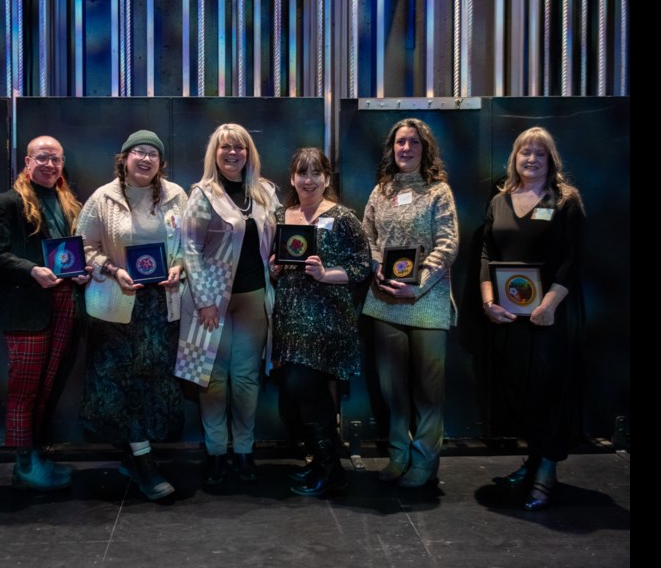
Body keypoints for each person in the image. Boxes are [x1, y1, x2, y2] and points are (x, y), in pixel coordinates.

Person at [77, 130, 187, 501]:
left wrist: (182, 267)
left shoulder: (177, 195)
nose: (145, 159)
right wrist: (111, 269)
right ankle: (143, 464)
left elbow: (191, 244)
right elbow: (83, 248)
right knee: (120, 384)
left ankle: (135, 453)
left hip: (161, 305)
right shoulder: (102, 198)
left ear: (161, 163)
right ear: (123, 158)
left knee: (152, 381)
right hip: (116, 304)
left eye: (152, 154)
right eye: (138, 152)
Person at [480, 126, 585, 511]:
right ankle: (533, 459)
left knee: (548, 394)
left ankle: (546, 472)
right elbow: (487, 255)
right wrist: (489, 302)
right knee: (518, 394)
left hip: (549, 316)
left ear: (551, 160)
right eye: (525, 153)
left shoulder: (565, 202)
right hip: (508, 316)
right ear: (515, 158)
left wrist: (549, 306)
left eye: (540, 154)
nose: (531, 160)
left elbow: (574, 261)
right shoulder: (500, 201)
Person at [0, 135, 91, 491]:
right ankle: (24, 464)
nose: (49, 164)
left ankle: (35, 455)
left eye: (56, 159)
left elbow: (72, 252)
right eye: (42, 157)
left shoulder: (68, 202)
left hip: (64, 302)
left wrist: (80, 271)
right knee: (24, 389)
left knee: (46, 386)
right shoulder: (5, 203)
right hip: (28, 306)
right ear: (26, 162)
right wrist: (32, 270)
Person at [176, 123, 279, 485]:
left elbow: (278, 242)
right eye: (225, 149)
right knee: (213, 380)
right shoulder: (202, 194)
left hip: (253, 299)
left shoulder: (265, 192)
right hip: (212, 302)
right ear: (214, 155)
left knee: (247, 379)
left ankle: (245, 451)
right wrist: (204, 300)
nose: (233, 154)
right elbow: (189, 249)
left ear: (248, 152)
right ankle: (217, 453)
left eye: (239, 148)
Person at [362, 118, 459, 489]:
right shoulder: (380, 191)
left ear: (425, 148)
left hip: (428, 303)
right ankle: (398, 454)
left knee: (428, 391)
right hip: (384, 301)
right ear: (392, 148)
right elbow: (368, 237)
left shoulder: (438, 192)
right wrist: (378, 272)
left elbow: (448, 244)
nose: (406, 149)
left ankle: (424, 462)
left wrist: (415, 286)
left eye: (414, 143)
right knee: (392, 389)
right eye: (400, 142)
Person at [270, 148, 370, 496]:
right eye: (302, 172)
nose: (308, 180)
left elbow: (362, 266)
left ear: (327, 178)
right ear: (292, 177)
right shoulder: (283, 215)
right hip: (290, 321)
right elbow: (276, 265)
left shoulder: (343, 218)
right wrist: (275, 268)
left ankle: (332, 471)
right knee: (294, 396)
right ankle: (319, 463)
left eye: (316, 173)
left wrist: (327, 274)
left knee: (307, 392)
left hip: (326, 321)